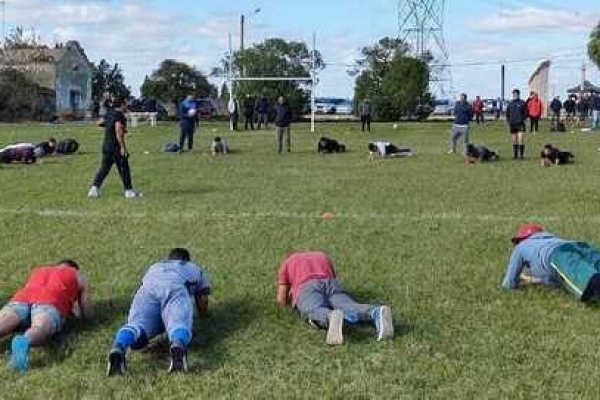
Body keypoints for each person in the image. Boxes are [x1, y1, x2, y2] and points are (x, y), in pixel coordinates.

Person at [106, 248, 211, 376]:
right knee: (179, 324)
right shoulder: (193, 267)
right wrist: (203, 316)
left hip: (147, 290)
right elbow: (203, 299)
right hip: (175, 288)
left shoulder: (155, 266)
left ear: (169, 258)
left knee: (137, 325)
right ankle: (178, 345)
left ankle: (119, 346)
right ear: (187, 259)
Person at [277, 251, 394, 345]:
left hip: (307, 287)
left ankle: (330, 317)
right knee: (348, 305)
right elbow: (333, 276)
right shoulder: (322, 255)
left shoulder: (288, 262)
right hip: (331, 283)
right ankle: (376, 311)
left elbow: (281, 300)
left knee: (313, 309)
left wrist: (290, 300)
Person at [0, 260, 93, 372]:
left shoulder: (39, 270)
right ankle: (24, 340)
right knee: (40, 327)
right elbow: (86, 310)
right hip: (49, 301)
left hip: (21, 299)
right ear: (74, 268)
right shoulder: (78, 275)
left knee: (5, 321)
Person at [502, 224, 600, 303]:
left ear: (523, 239)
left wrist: (517, 281)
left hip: (558, 254)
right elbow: (555, 278)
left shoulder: (521, 247)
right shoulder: (551, 239)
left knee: (590, 281)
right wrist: (532, 280)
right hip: (579, 246)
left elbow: (509, 284)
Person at [88, 98, 138, 199]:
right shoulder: (119, 115)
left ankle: (94, 190)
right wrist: (123, 147)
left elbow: (99, 123)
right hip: (115, 146)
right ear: (122, 104)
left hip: (106, 145)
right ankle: (129, 191)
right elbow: (118, 130)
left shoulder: (110, 113)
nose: (127, 105)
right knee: (124, 168)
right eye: (126, 103)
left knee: (104, 168)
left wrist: (109, 125)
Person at [506, 89, 528, 160]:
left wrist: (522, 119)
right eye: (513, 94)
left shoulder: (522, 103)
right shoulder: (510, 104)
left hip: (520, 124)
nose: (514, 95)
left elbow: (526, 113)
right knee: (514, 140)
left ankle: (521, 155)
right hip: (512, 124)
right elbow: (507, 113)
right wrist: (508, 121)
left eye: (516, 94)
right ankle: (515, 155)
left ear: (518, 94)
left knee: (520, 139)